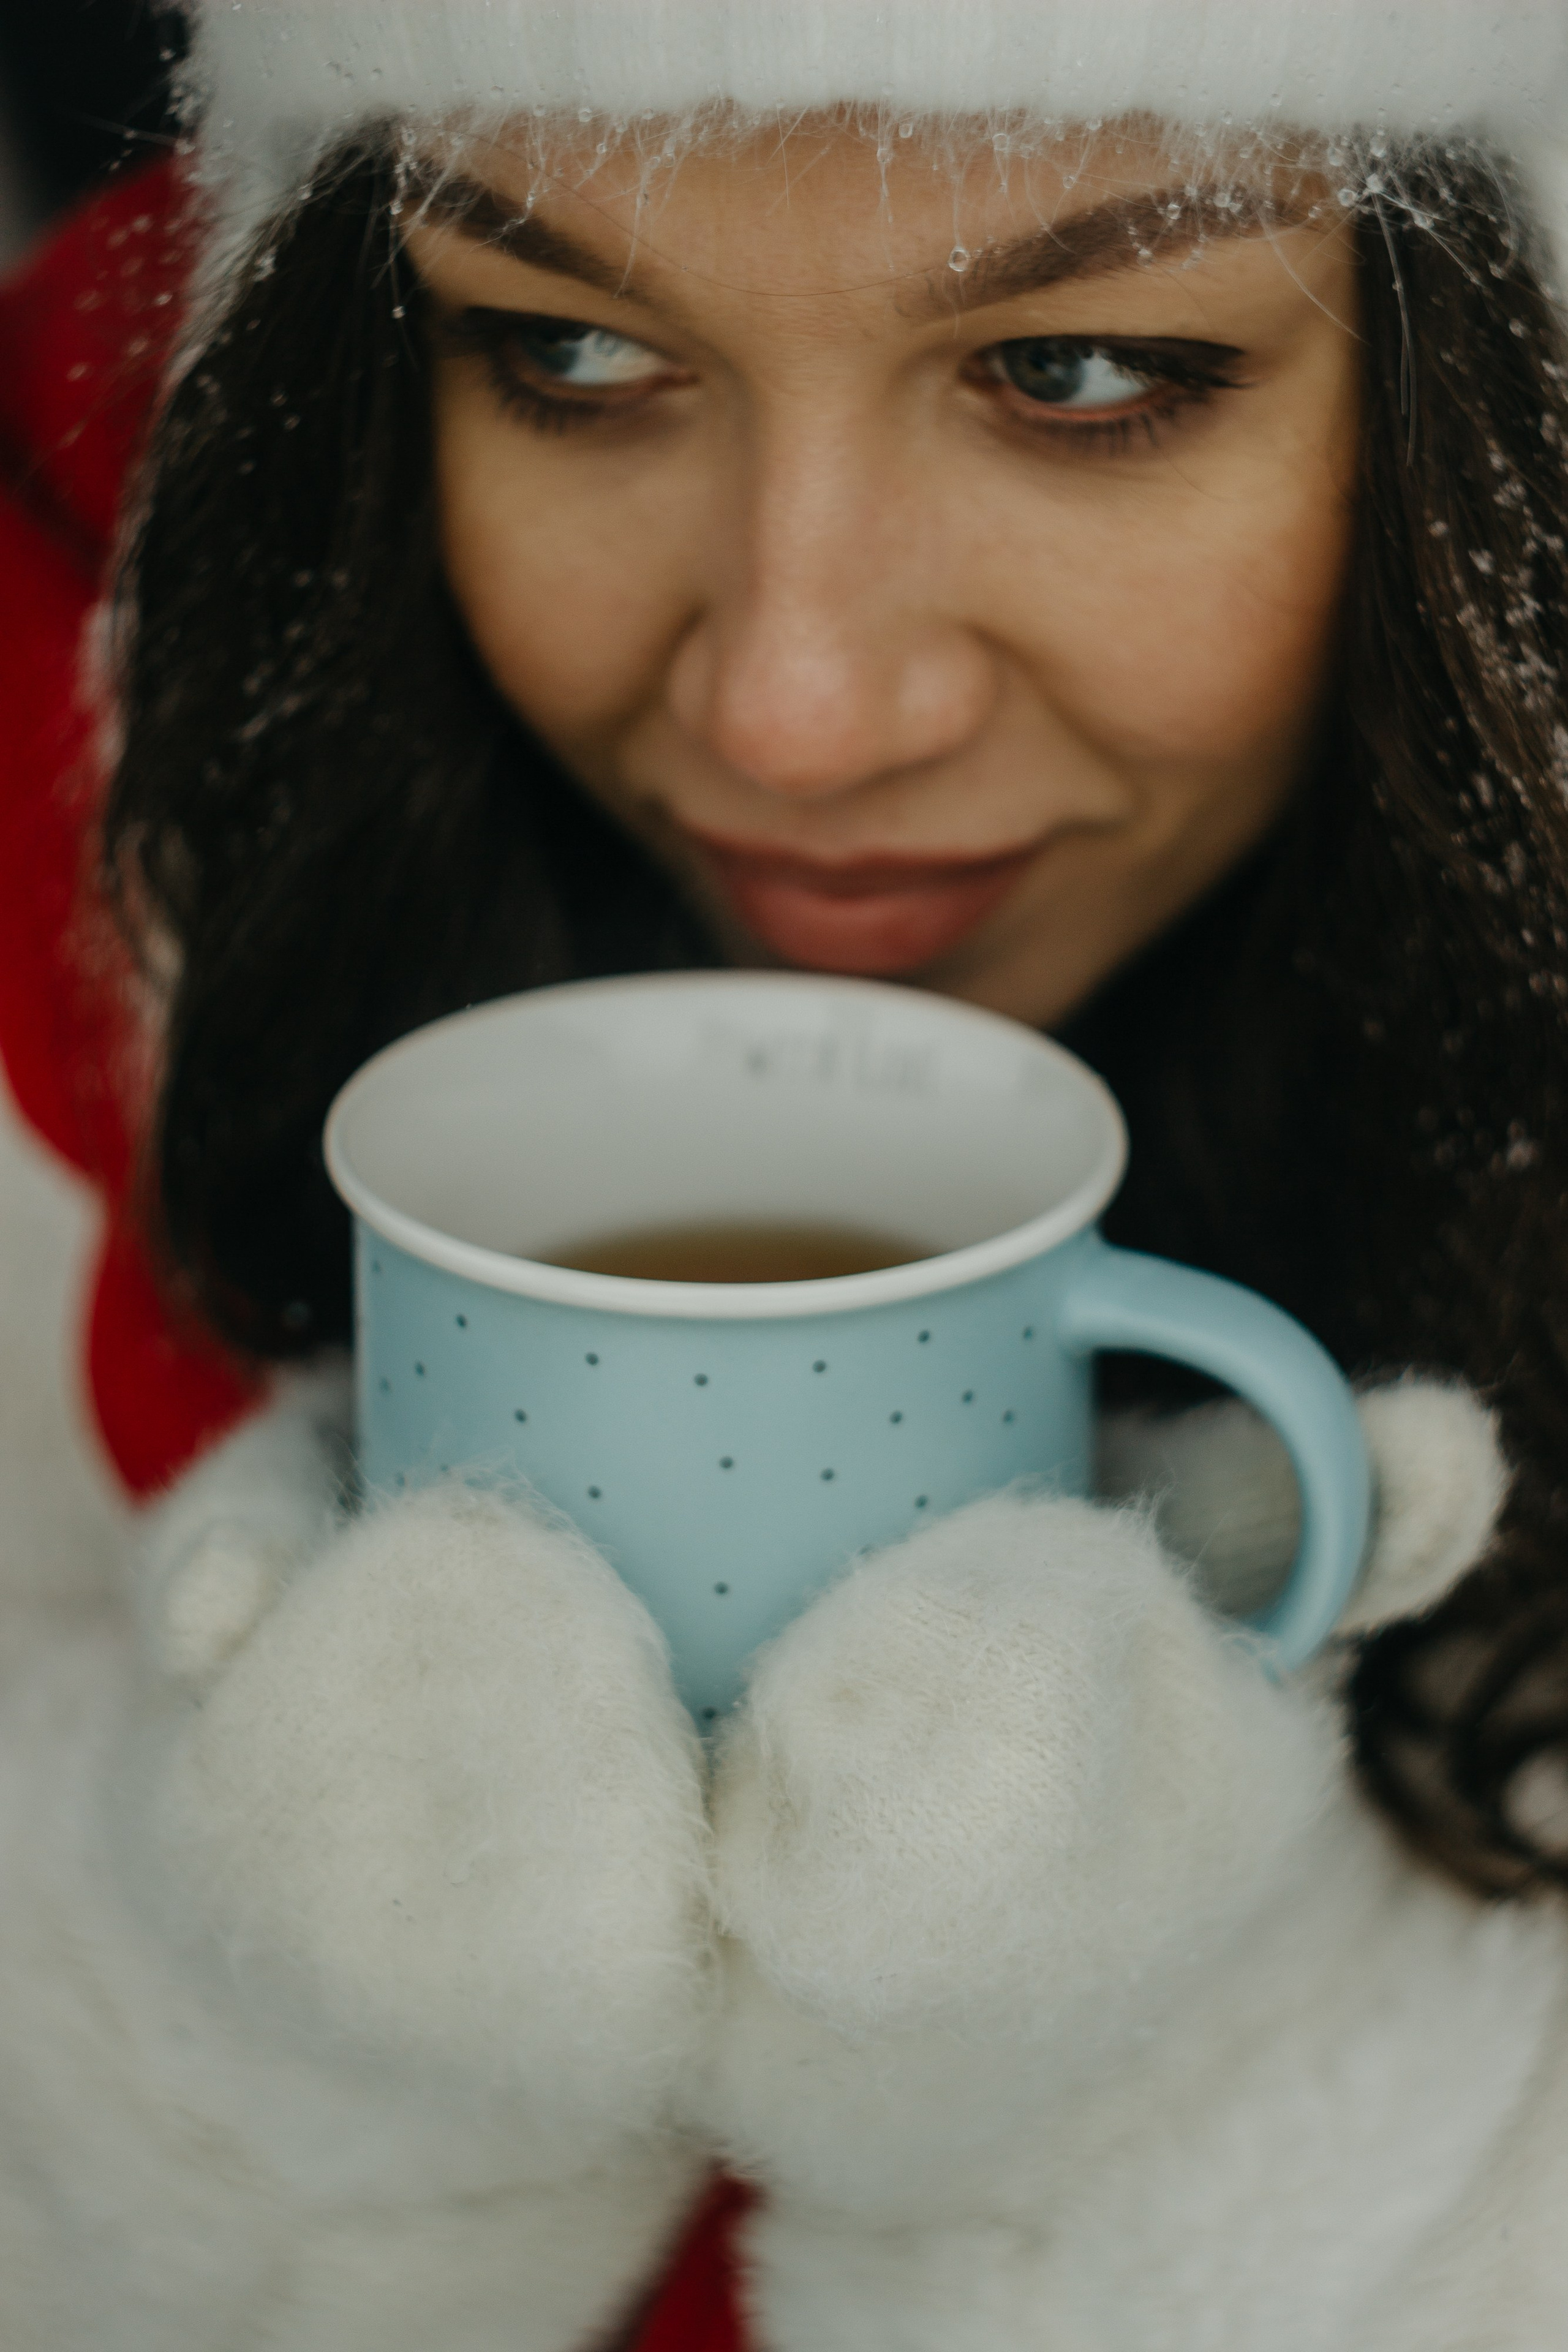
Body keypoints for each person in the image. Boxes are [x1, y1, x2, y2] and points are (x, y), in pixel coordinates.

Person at [2, 3, 1568, 2345]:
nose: (791, 710)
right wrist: (279, 2040)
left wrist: (1169, 2072)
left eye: (1085, 375)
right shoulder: (76, 823)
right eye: (560, 347)